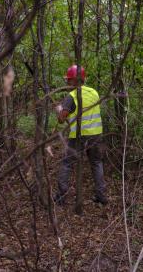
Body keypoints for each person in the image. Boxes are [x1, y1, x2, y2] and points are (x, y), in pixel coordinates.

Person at [54, 65, 108, 205]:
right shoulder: (94, 92)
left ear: (74, 80)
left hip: (78, 137)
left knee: (67, 164)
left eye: (69, 80)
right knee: (96, 163)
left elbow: (61, 118)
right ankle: (101, 196)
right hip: (96, 135)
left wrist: (59, 109)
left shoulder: (71, 96)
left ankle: (61, 196)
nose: (67, 83)